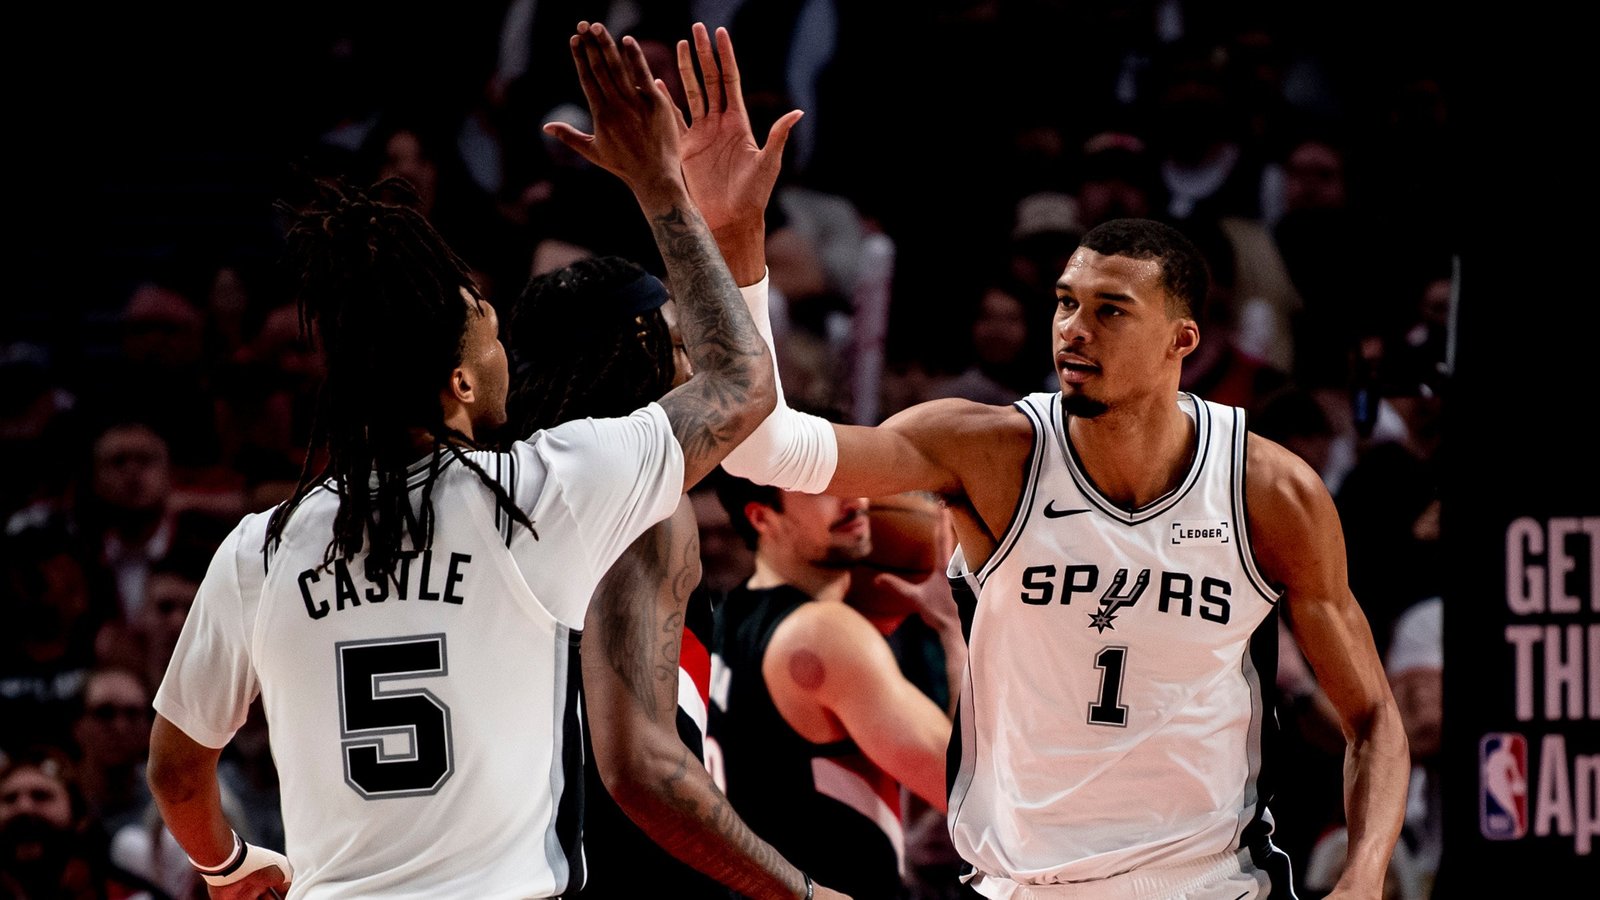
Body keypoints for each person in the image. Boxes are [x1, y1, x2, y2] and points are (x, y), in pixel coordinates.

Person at [145, 21, 776, 900]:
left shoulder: (262, 548)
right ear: (461, 383)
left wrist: (229, 865)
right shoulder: (539, 493)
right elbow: (743, 383)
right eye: (490, 327)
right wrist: (662, 186)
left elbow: (176, 771)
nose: (507, 346)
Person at [716, 206, 1410, 895]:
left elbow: (1374, 718)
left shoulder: (1267, 490)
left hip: (1208, 881)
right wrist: (738, 241)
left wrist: (1364, 875)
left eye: (1111, 311)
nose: (1074, 328)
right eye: (1066, 303)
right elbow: (764, 450)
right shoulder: (987, 451)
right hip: (1024, 883)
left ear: (1181, 340)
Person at [504, 253, 844, 900]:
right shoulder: (639, 508)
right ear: (639, 345)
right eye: (679, 342)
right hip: (624, 866)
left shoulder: (503, 488)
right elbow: (642, 765)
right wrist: (798, 891)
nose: (693, 368)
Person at [708, 470, 954, 900]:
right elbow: (965, 787)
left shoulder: (730, 614)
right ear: (762, 518)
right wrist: (957, 630)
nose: (855, 498)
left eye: (850, 475)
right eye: (820, 488)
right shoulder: (823, 632)